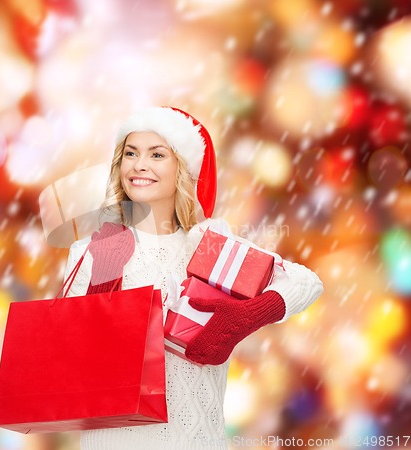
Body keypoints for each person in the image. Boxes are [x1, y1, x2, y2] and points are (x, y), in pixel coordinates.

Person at [63, 106, 324, 450]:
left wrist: (248, 316)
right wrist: (104, 276)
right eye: (130, 153)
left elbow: (306, 282)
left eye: (157, 154)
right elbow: (79, 347)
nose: (139, 165)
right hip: (111, 440)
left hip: (195, 438)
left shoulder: (207, 245)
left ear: (184, 168)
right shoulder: (92, 250)